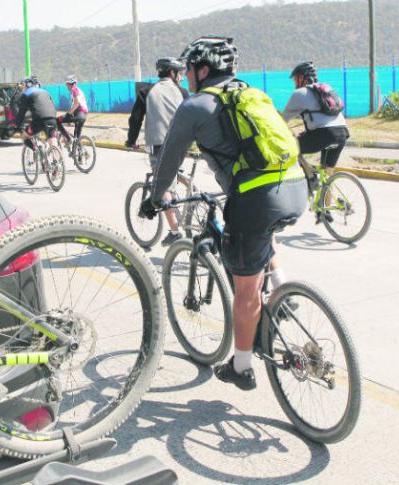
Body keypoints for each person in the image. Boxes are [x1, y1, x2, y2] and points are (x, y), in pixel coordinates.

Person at [140, 35, 308, 391]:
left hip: (256, 198)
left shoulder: (195, 106)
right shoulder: (250, 94)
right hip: (294, 186)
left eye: (189, 69)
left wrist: (154, 199)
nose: (185, 76)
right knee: (261, 233)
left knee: (246, 291)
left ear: (203, 70)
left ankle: (242, 367)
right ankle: (283, 292)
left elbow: (169, 159)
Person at [130, 57, 190, 246]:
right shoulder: (183, 92)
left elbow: (135, 119)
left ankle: (175, 232)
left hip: (159, 145)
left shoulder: (147, 91)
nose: (181, 77)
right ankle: (190, 189)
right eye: (180, 74)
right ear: (172, 73)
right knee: (173, 172)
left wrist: (131, 141)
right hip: (183, 144)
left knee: (162, 186)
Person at [283, 61, 350, 224]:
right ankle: (324, 210)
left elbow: (282, 120)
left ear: (301, 78)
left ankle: (311, 176)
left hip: (323, 134)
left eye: (295, 80)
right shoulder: (326, 89)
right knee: (327, 174)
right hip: (342, 132)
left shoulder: (299, 93)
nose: (294, 83)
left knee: (293, 148)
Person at [16, 76, 59, 153]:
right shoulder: (45, 92)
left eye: (24, 85)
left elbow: (22, 112)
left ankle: (36, 150)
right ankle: (57, 158)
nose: (23, 87)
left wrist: (17, 124)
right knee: (52, 140)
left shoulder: (26, 94)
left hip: (39, 120)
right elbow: (53, 107)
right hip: (52, 118)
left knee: (24, 136)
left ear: (28, 85)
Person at [56, 75, 89, 145]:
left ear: (69, 84)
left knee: (57, 120)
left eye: (67, 84)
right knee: (76, 137)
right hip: (83, 116)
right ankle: (79, 150)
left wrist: (69, 114)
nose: (66, 86)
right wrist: (70, 117)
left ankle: (68, 138)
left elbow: (77, 103)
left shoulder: (74, 90)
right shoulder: (79, 90)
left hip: (79, 114)